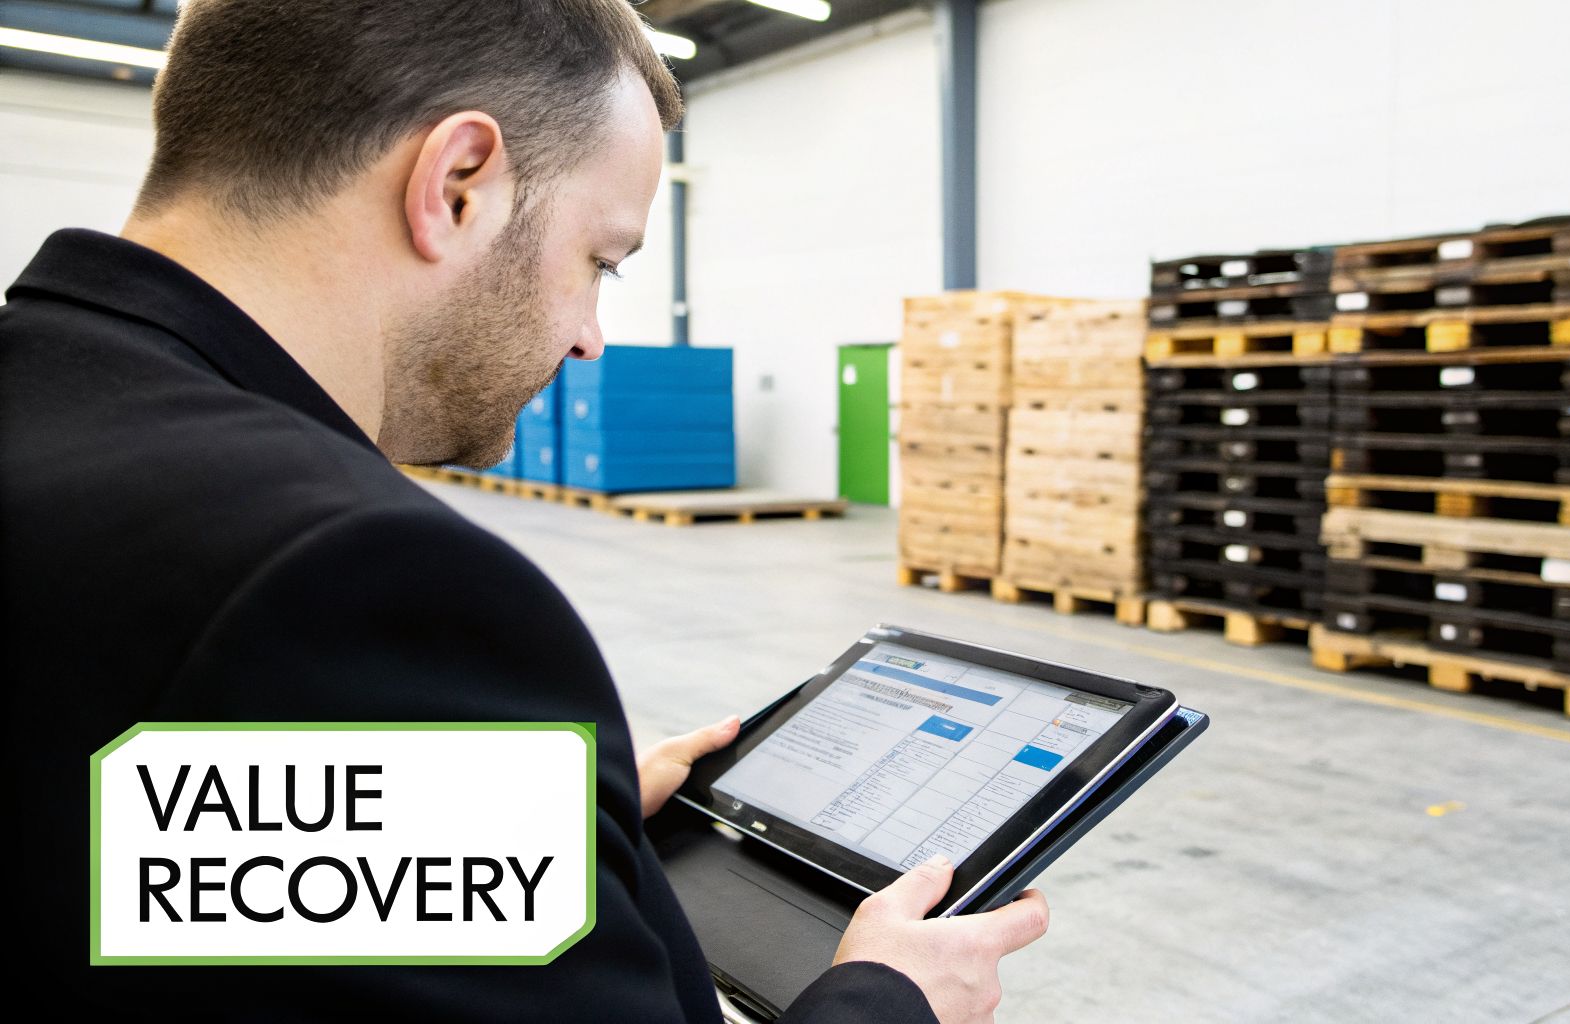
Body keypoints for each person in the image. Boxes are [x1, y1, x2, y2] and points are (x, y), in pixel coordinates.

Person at [0, 0, 1049, 1019]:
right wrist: (887, 999)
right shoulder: (343, 575)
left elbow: (130, 868)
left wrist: (509, 828)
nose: (592, 336)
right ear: (456, 184)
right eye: (598, 260)